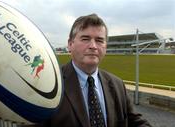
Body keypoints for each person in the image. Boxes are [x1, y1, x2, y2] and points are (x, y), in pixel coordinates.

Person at [22, 13, 152, 127]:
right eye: (85, 39)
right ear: (70, 44)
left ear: (105, 47)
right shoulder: (48, 84)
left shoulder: (117, 84)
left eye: (99, 40)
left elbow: (135, 121)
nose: (93, 46)